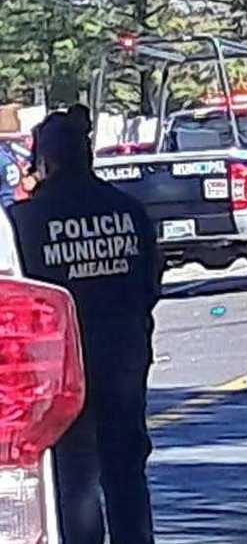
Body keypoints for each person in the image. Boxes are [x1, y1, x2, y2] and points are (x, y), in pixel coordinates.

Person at [6, 107, 160, 544]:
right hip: (125, 360)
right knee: (126, 468)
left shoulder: (24, 223)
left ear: (47, 162)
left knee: (75, 475)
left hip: (60, 372)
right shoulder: (129, 211)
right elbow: (150, 285)